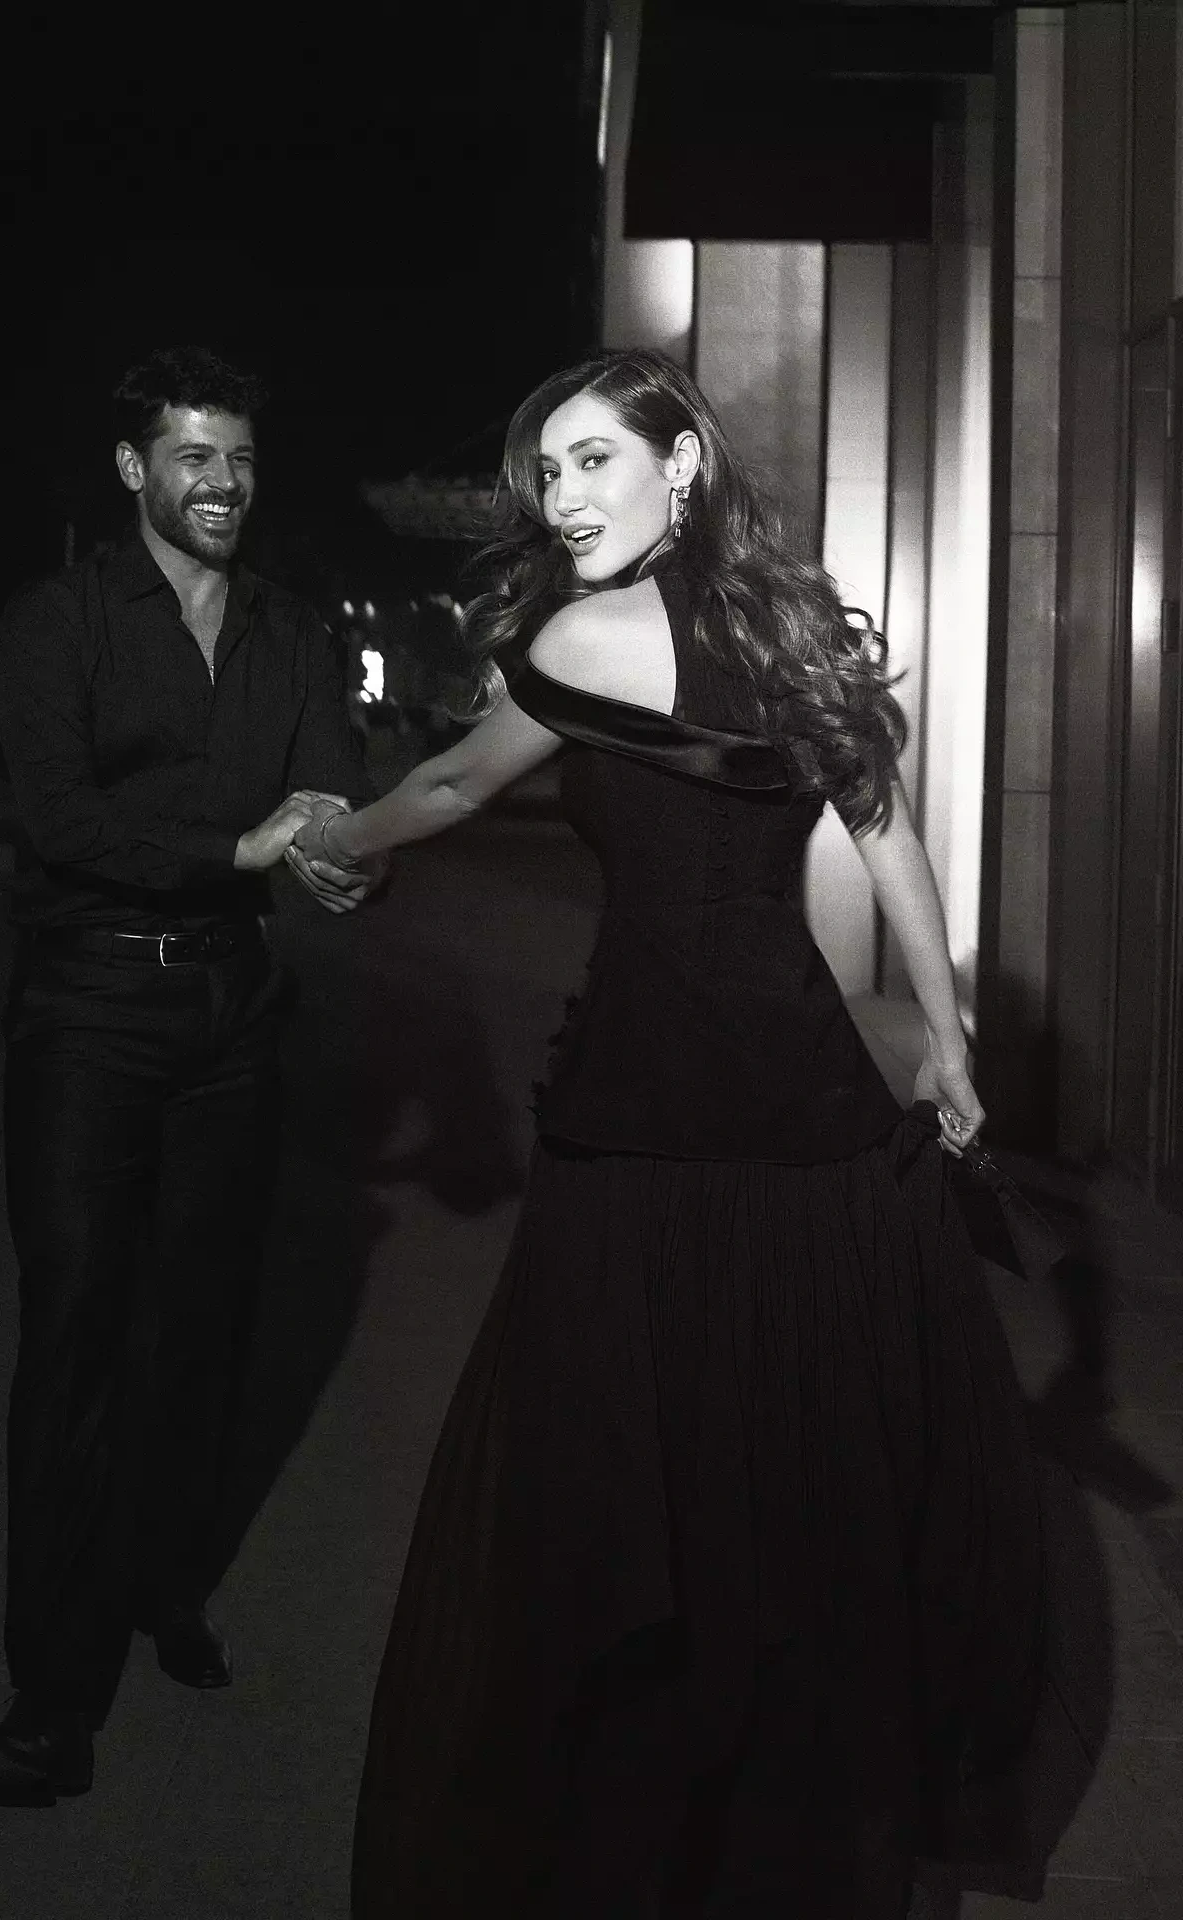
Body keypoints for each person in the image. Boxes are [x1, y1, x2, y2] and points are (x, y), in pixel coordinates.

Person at [287, 349, 1045, 1916]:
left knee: (610, 1478)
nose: (563, 498)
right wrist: (946, 1035)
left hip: (646, 1109)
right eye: (548, 473)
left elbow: (452, 786)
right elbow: (880, 822)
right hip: (810, 1101)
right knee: (793, 1469)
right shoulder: (791, 628)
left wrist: (335, 842)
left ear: (680, 462)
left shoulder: (585, 638)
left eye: (593, 461)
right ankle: (781, 1821)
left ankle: (638, 1819)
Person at [0, 346, 383, 1797]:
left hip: (232, 1012)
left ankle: (165, 1585)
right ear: (135, 468)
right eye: (196, 455)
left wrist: (345, 858)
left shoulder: (291, 631)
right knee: (75, 1334)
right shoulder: (57, 620)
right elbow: (57, 815)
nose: (223, 482)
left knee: (201, 1329)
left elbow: (329, 794)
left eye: (241, 458)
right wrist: (241, 848)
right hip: (87, 1009)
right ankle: (48, 1694)